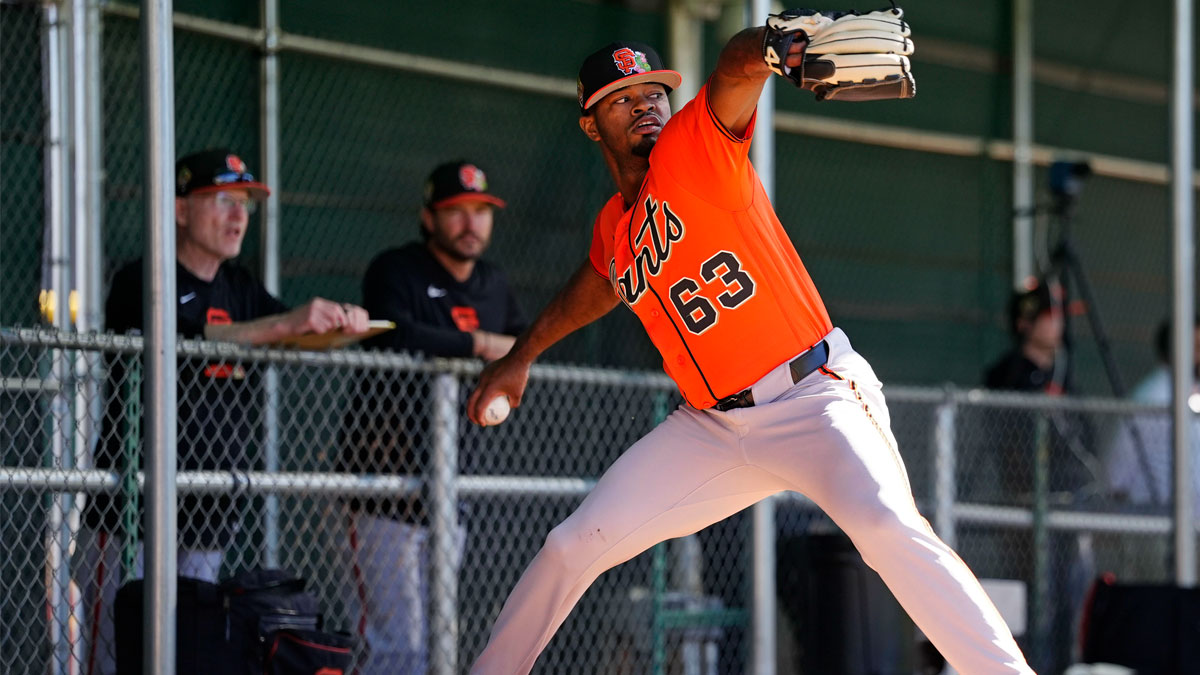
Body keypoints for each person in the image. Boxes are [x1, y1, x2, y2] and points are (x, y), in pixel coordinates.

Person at [463, 21, 1033, 675]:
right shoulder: (615, 227)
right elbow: (596, 284)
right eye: (622, 98)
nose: (645, 104)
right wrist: (521, 357)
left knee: (884, 526)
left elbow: (734, 72)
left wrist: (769, 47)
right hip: (712, 428)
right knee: (571, 544)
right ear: (591, 125)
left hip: (814, 397)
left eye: (653, 92)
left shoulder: (692, 147)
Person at [76, 148, 370, 675]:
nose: (238, 216)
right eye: (222, 200)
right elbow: (179, 338)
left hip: (209, 510)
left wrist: (345, 323)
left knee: (185, 653)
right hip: (132, 509)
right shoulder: (144, 278)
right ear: (180, 209)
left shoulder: (241, 286)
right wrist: (280, 325)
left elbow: (292, 329)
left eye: (245, 203)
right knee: (114, 653)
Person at [338, 160, 526, 674]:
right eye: (455, 211)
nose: (470, 223)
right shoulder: (397, 269)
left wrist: (490, 348)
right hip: (382, 487)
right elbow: (393, 333)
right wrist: (478, 344)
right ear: (429, 218)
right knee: (395, 645)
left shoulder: (493, 283)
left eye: (481, 211)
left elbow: (525, 345)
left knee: (437, 638)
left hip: (451, 486)